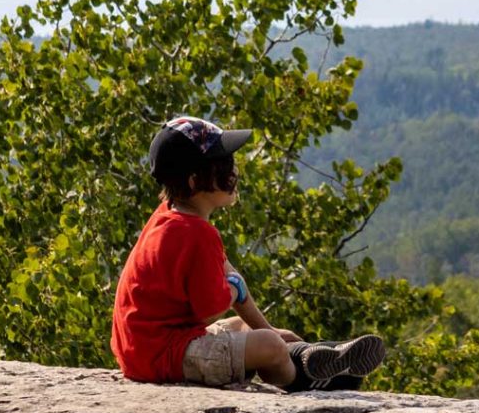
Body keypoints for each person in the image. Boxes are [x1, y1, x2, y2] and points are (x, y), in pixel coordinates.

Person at [111, 115, 385, 392]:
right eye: (224, 165)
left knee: (253, 330)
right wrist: (234, 290)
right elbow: (211, 308)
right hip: (164, 357)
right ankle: (307, 376)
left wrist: (267, 326)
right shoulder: (197, 234)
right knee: (268, 346)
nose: (234, 172)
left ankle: (311, 355)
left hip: (146, 351)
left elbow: (231, 277)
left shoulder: (168, 217)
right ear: (194, 182)